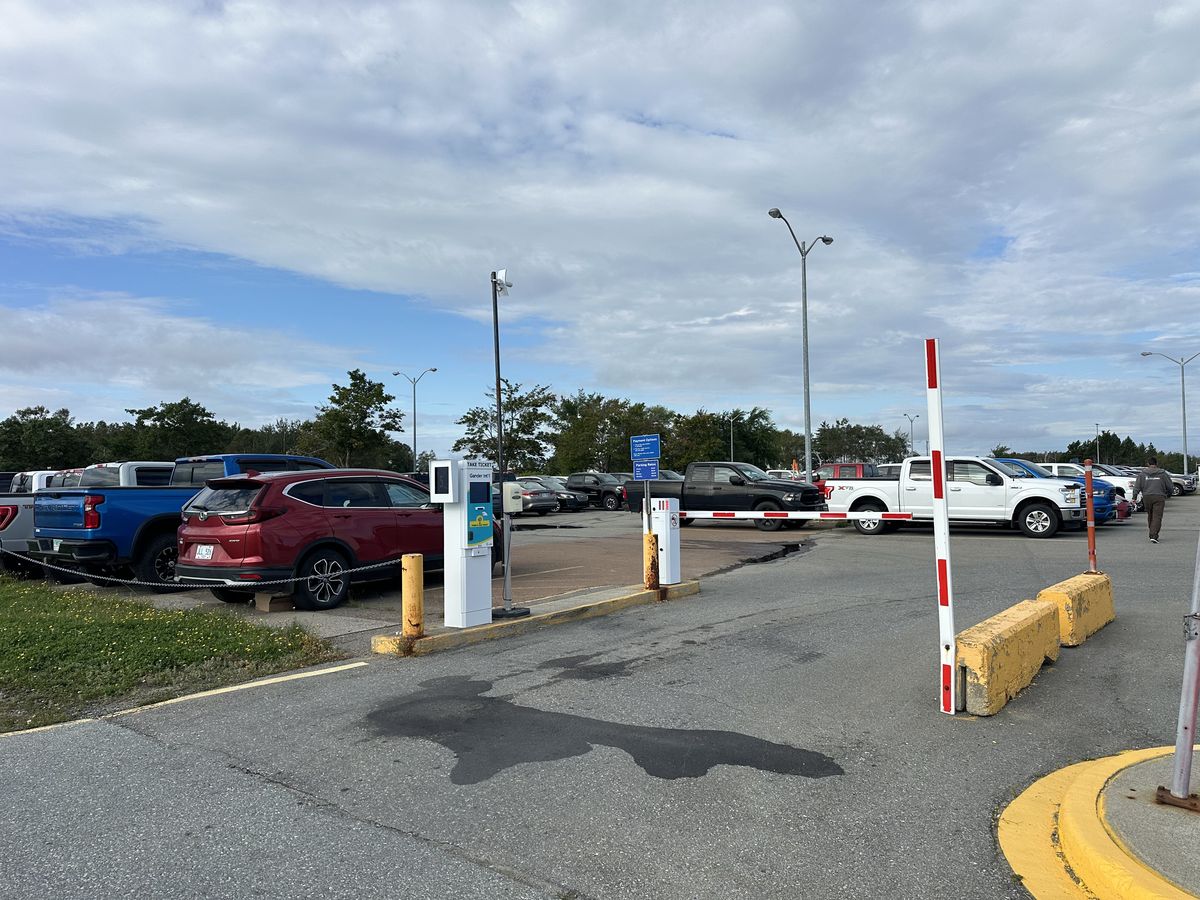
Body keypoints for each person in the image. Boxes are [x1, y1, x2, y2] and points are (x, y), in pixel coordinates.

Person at [1134, 456, 1174, 543]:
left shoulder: (1142, 474)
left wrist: (1134, 497)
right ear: (1156, 464)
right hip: (1159, 496)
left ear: (1148, 464)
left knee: (1150, 515)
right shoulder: (1163, 474)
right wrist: (1169, 494)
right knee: (1157, 516)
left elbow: (1137, 486)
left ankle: (1152, 533)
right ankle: (1154, 535)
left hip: (1147, 497)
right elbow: (1170, 486)